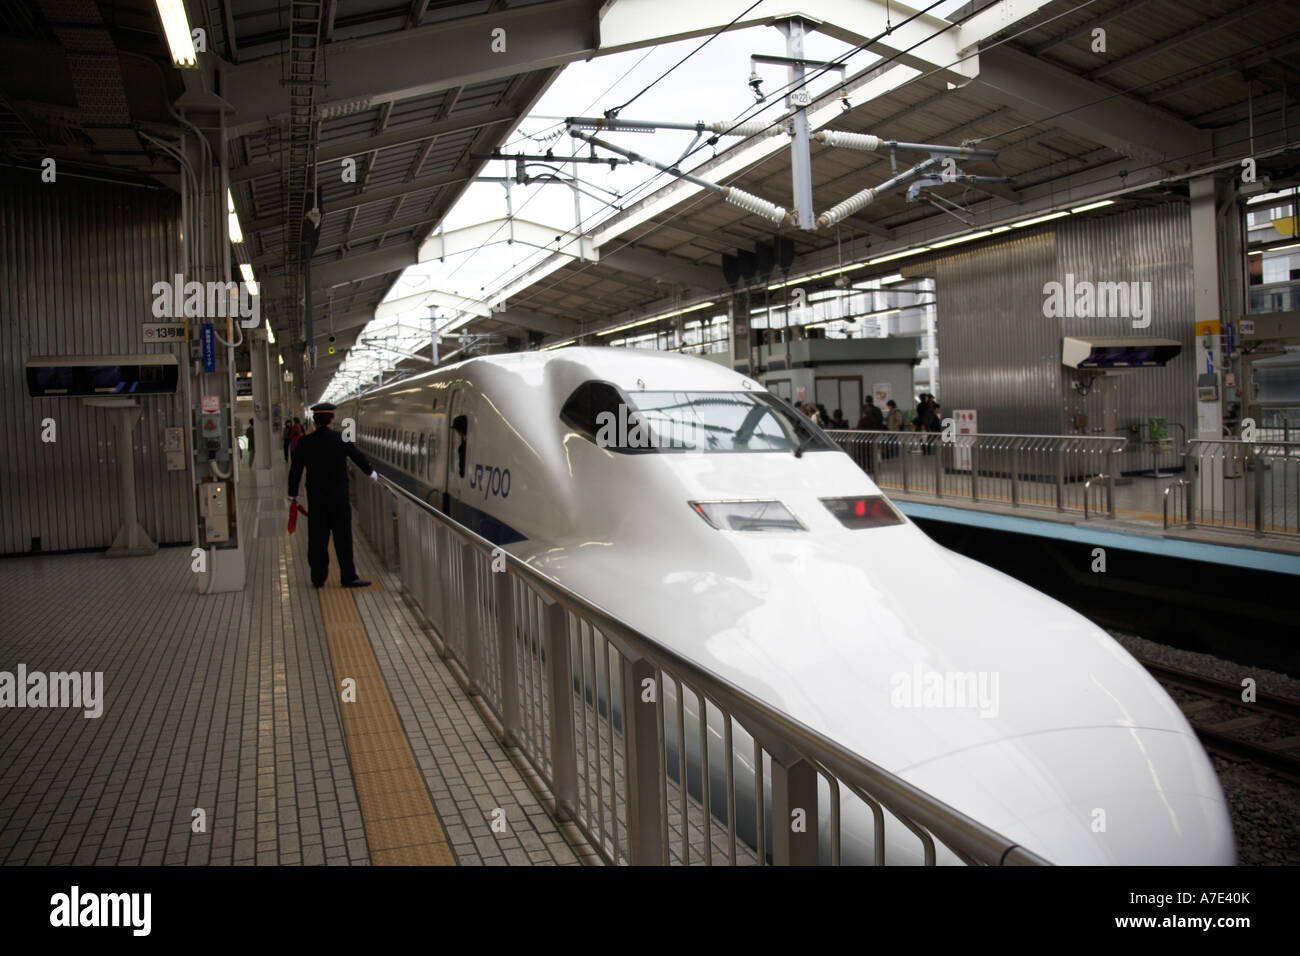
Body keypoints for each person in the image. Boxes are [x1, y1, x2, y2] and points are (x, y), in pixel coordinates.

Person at [288, 403, 378, 588]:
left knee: (317, 540)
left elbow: (295, 471)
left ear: (315, 420)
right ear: (331, 419)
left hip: (317, 501)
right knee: (343, 539)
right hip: (339, 501)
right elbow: (357, 456)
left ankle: (318, 578)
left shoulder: (305, 442)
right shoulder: (341, 439)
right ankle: (348, 577)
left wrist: (293, 495)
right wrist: (371, 473)